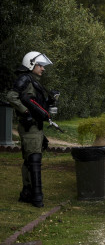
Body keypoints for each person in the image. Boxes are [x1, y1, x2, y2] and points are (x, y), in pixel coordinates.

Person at [7, 52, 57, 208]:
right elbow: (11, 96)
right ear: (31, 64)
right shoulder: (24, 79)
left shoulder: (33, 81)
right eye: (40, 65)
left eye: (43, 66)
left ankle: (27, 193)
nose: (43, 69)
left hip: (35, 126)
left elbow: (36, 103)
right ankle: (36, 197)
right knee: (34, 159)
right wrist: (25, 111)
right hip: (29, 126)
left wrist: (50, 100)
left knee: (30, 160)